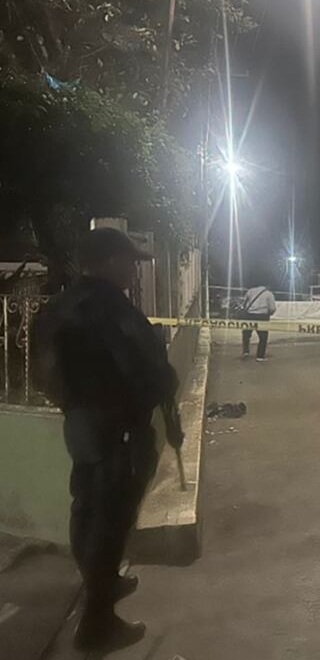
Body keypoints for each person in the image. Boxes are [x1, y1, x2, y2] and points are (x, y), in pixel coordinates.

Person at [35, 228, 184, 653]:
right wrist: (162, 386)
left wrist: (76, 406)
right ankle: (97, 626)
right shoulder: (110, 308)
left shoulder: (59, 306)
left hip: (79, 425)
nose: (133, 269)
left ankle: (101, 584)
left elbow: (43, 372)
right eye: (128, 260)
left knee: (85, 506)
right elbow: (146, 368)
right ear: (109, 261)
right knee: (112, 522)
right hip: (117, 430)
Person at [240, 283, 277, 361]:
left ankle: (246, 351)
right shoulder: (269, 294)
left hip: (249, 316)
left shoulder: (250, 291)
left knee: (246, 334)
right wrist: (269, 314)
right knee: (263, 337)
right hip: (262, 317)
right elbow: (272, 308)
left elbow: (243, 303)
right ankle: (260, 356)